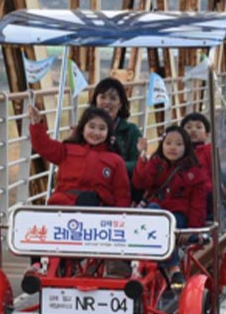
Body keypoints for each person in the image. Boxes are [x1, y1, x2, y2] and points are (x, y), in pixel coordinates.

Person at [133, 126, 207, 288]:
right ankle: (170, 268)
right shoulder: (156, 163)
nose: (173, 148)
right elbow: (141, 182)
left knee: (160, 221)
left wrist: (194, 229)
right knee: (153, 214)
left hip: (177, 215)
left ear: (186, 147)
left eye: (179, 144)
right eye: (168, 143)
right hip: (156, 211)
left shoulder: (194, 171)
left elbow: (197, 203)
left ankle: (172, 267)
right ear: (162, 144)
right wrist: (142, 156)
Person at [28, 105, 130, 207]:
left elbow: (122, 194)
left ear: (108, 133)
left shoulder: (116, 161)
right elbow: (43, 146)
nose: (96, 132)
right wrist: (37, 124)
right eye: (91, 127)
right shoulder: (67, 149)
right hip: (63, 205)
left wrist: (121, 215)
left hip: (98, 210)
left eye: (102, 128)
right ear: (82, 129)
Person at [90, 78, 142, 177]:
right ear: (95, 101)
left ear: (120, 104)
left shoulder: (132, 131)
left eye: (113, 98)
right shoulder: (85, 129)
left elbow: (138, 164)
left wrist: (111, 166)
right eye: (102, 97)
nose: (107, 102)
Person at [180, 112, 214, 220]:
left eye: (198, 127)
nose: (193, 130)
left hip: (205, 193)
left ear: (206, 134)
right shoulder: (177, 152)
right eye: (188, 127)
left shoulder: (209, 151)